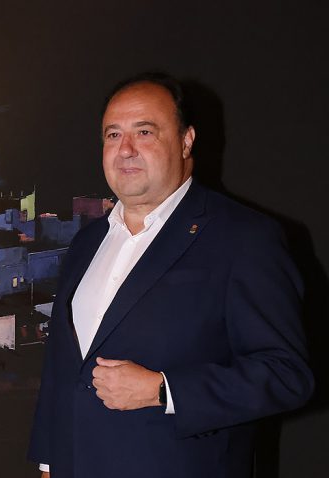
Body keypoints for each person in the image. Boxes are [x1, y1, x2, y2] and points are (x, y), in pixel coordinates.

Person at [28, 73, 314, 477]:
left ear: (186, 140)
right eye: (113, 135)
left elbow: (286, 375)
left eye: (144, 132)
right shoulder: (86, 242)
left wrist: (163, 390)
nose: (125, 149)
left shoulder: (244, 237)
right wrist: (49, 464)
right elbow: (62, 369)